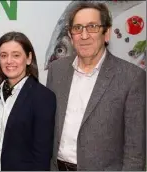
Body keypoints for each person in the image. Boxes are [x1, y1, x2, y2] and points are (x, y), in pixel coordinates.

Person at [46, 2, 146, 171]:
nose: (84, 35)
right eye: (77, 28)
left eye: (92, 27)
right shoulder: (57, 70)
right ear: (71, 35)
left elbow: (135, 152)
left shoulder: (132, 77)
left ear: (106, 33)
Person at [0, 31, 56, 171]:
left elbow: (42, 155)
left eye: (16, 55)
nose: (9, 61)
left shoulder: (43, 97)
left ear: (28, 58)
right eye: (3, 55)